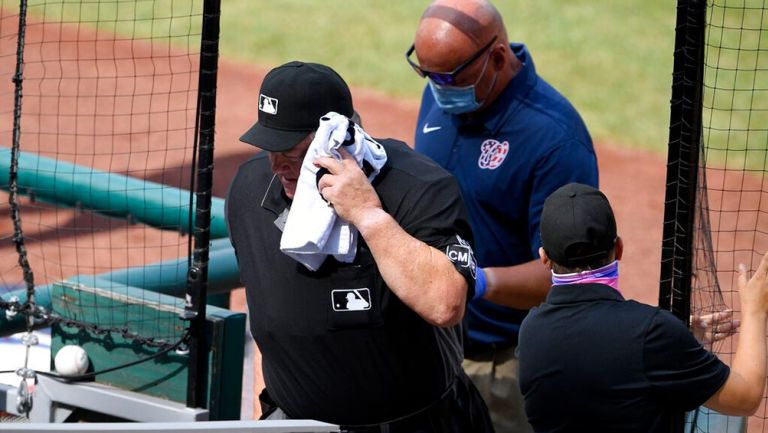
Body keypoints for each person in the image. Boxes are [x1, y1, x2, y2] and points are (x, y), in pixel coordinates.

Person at [226, 60, 493, 432]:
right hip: (293, 422)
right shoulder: (250, 192)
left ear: (339, 138)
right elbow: (267, 316)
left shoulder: (417, 187)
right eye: (270, 147)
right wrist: (266, 419)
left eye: (294, 153)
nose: (277, 166)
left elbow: (446, 303)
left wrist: (368, 215)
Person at [407, 1, 597, 431]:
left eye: (448, 77)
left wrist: (473, 282)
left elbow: (567, 276)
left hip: (504, 367)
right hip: (430, 352)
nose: (436, 88)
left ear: (496, 57)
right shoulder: (442, 95)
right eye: (426, 74)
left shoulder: (555, 141)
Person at [518, 182, 768, 432]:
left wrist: (672, 344)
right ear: (619, 248)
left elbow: (598, 358)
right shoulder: (651, 333)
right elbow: (745, 398)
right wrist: (755, 308)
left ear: (544, 257)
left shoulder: (530, 332)